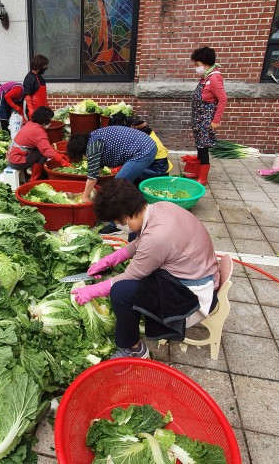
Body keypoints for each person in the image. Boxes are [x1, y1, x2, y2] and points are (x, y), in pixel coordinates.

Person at [71, 179, 219, 359]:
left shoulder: (157, 238)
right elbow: (140, 243)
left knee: (121, 292)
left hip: (192, 294)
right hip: (200, 271)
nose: (118, 226)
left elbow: (131, 275)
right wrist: (109, 260)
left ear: (124, 217)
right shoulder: (160, 207)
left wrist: (93, 290)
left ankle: (135, 349)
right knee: (135, 237)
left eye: (117, 222)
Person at [66, 126, 158, 204]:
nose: (85, 158)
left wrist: (85, 197)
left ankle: (113, 221)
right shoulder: (93, 137)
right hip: (146, 145)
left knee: (118, 185)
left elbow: (92, 177)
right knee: (125, 185)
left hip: (143, 151)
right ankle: (132, 206)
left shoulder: (93, 147)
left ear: (79, 150)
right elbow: (96, 170)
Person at [189, 46, 227, 185]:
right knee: (200, 145)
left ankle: (202, 178)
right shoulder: (205, 77)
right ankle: (197, 172)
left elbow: (223, 99)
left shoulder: (215, 78)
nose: (196, 67)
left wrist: (216, 121)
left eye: (197, 64)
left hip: (206, 119)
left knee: (203, 147)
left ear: (206, 63)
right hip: (199, 118)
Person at [7, 106, 70, 181]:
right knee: (42, 153)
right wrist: (62, 161)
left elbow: (45, 146)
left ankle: (33, 176)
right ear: (45, 120)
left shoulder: (30, 124)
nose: (50, 121)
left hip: (12, 157)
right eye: (50, 119)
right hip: (17, 161)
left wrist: (58, 154)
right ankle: (34, 179)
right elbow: (46, 151)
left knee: (40, 150)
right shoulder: (38, 131)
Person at [22, 55, 50, 121]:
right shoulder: (29, 78)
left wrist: (47, 106)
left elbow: (44, 95)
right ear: (38, 67)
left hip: (42, 110)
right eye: (44, 67)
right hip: (34, 111)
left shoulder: (41, 79)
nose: (45, 69)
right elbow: (27, 94)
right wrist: (31, 110)